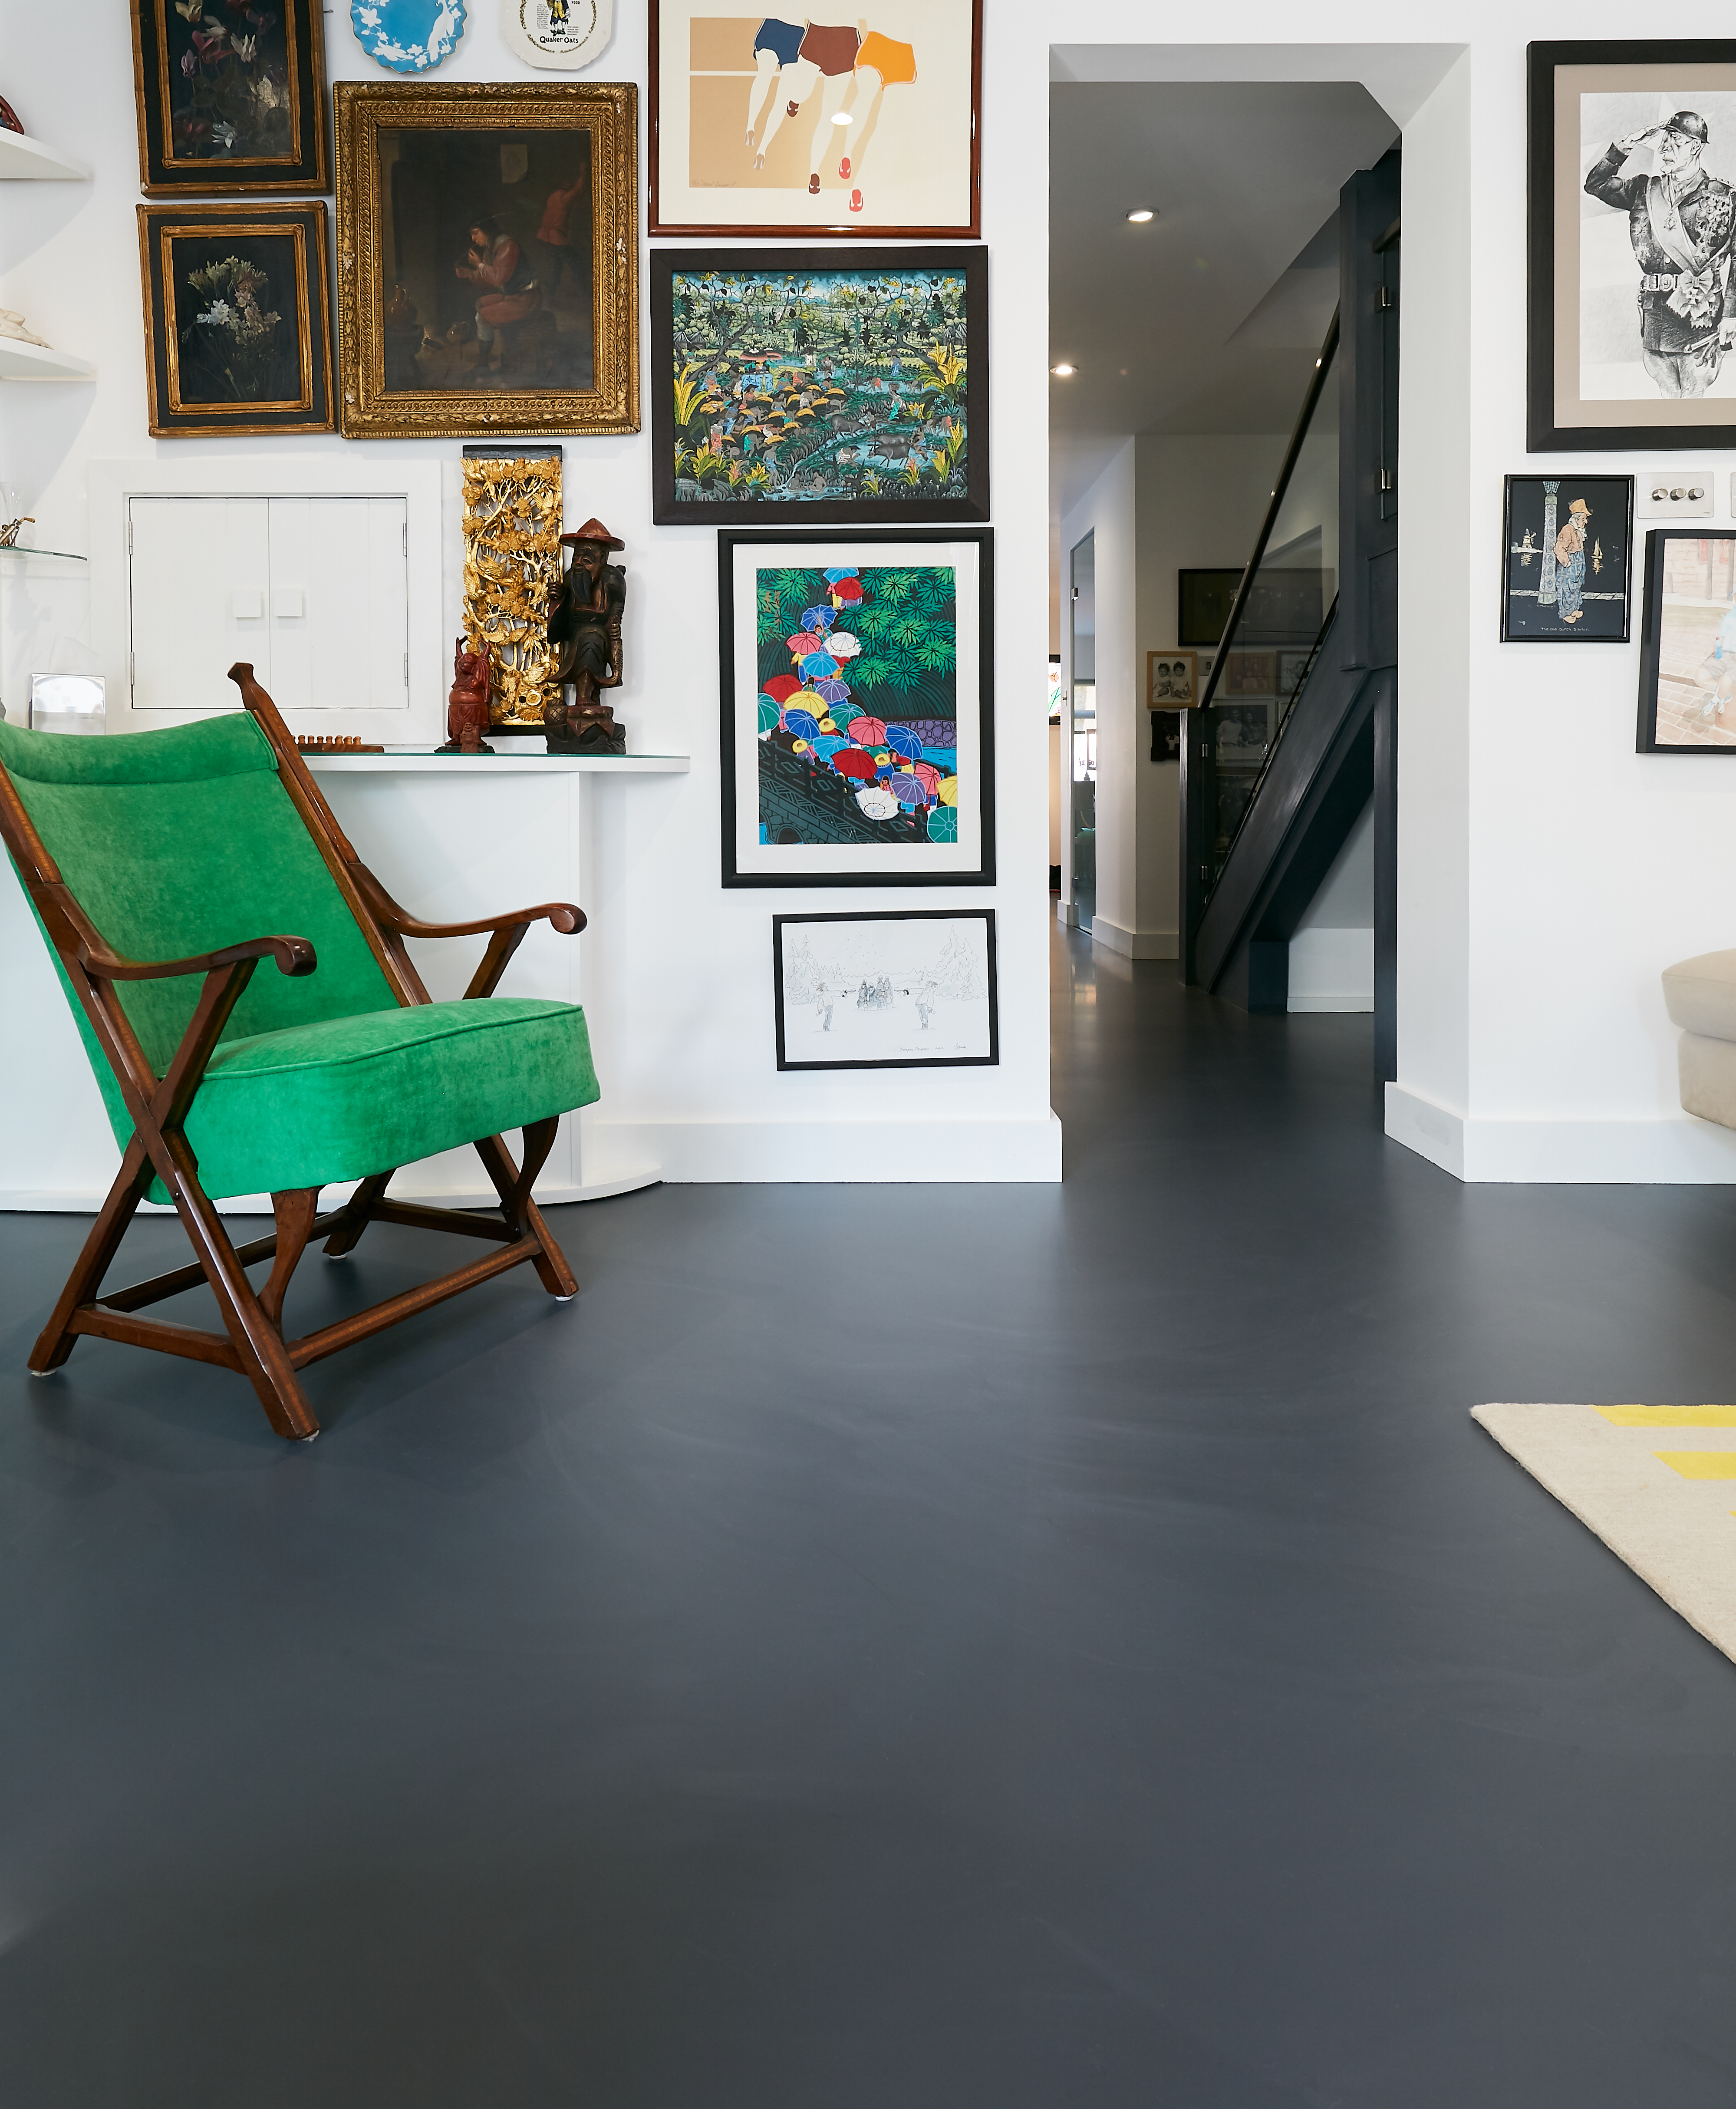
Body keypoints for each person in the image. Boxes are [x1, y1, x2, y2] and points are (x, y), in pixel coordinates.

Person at [1583, 111, 1736, 398]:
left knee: (1693, 394)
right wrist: (1624, 147)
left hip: (1699, 317)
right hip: (1655, 316)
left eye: (1675, 141)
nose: (1664, 149)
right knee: (1666, 394)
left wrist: (1731, 315)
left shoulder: (1724, 197)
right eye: (1663, 141)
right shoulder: (1644, 190)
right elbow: (1595, 185)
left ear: (1695, 147)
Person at [454, 216, 540, 368]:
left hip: (526, 299)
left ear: (487, 230)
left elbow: (498, 279)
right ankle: (502, 350)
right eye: (472, 235)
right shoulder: (491, 247)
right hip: (512, 296)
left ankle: (484, 364)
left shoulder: (507, 246)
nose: (473, 239)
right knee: (480, 303)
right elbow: (489, 277)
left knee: (482, 317)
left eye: (476, 233)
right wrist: (470, 274)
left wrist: (478, 264)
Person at [1554, 495, 1591, 624]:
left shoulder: (1578, 530)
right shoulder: (1567, 529)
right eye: (1584, 519)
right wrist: (1566, 562)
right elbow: (1559, 547)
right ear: (1577, 519)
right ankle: (1566, 613)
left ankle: (1574, 609)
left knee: (1576, 585)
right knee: (1566, 586)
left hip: (1579, 560)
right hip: (1570, 561)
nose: (1586, 522)